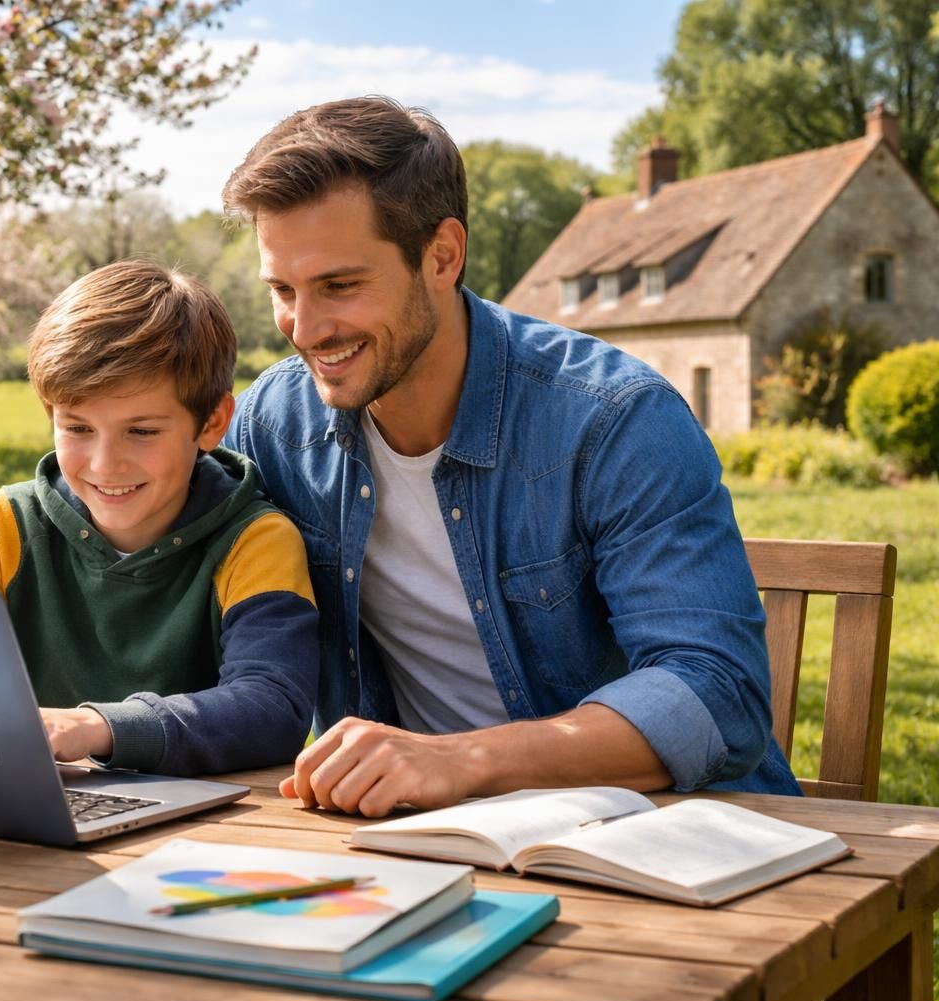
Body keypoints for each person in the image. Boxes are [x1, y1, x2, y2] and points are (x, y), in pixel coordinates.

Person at [218, 96, 801, 816]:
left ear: (443, 256)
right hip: (419, 836)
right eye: (283, 290)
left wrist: (460, 761)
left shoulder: (613, 419)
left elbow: (716, 691)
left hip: (668, 833)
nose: (305, 330)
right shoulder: (276, 423)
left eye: (340, 286)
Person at [0, 258, 318, 777]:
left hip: (207, 826)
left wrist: (94, 728)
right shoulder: (1, 526)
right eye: (77, 429)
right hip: (25, 812)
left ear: (212, 422)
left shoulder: (255, 541)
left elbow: (272, 708)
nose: (105, 465)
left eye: (142, 431)